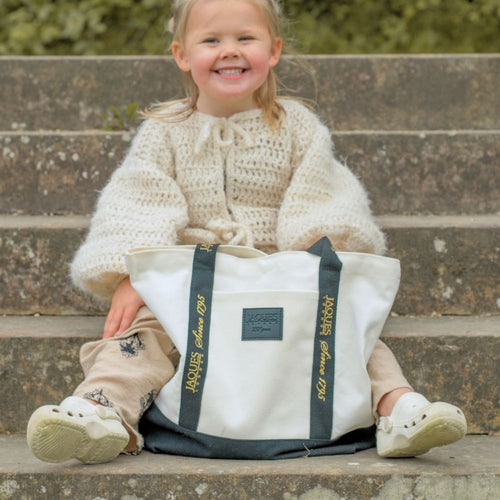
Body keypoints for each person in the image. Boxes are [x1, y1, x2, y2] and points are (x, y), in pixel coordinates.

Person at [27, 0, 466, 464]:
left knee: (344, 325)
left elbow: (324, 195)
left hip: (281, 274)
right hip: (191, 282)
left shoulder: (297, 126)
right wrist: (132, 273)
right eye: (211, 40)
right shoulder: (165, 132)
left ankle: (397, 409)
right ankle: (100, 410)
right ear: (181, 54)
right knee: (142, 335)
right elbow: (138, 199)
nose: (229, 51)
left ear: (273, 50)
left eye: (245, 38)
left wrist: (322, 261)